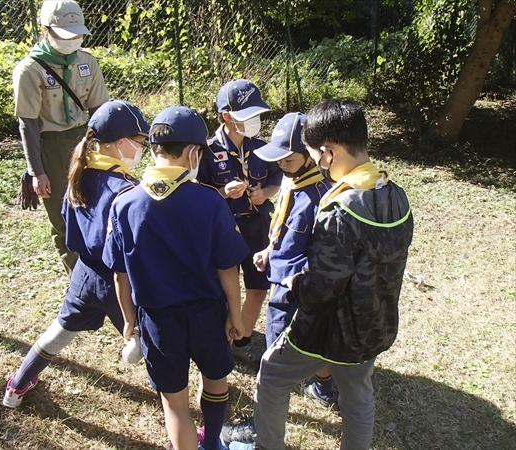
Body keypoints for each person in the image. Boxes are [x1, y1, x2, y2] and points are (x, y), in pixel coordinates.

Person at [226, 99, 414, 450]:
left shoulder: (340, 209)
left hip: (329, 329)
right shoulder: (394, 194)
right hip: (374, 324)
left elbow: (322, 287)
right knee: (358, 397)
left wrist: (295, 280)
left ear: (327, 153)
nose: (314, 161)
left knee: (273, 375)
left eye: (313, 153)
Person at [102, 105, 248, 450]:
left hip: (158, 321)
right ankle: (212, 444)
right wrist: (236, 315)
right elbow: (228, 267)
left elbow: (120, 275)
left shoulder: (124, 203)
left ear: (153, 149)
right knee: (216, 381)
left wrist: (129, 321)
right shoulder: (210, 200)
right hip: (207, 314)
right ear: (195, 152)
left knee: (175, 403)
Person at [2, 100, 150, 408]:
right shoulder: (126, 190)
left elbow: (69, 228)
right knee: (152, 347)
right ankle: (177, 413)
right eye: (140, 142)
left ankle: (15, 387)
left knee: (59, 332)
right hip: (117, 282)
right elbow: (132, 248)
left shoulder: (79, 172)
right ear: (120, 142)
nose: (142, 148)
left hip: (84, 275)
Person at [13, 0, 110, 275]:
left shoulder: (87, 61)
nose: (72, 41)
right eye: (66, 35)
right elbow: (28, 125)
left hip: (85, 139)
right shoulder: (30, 70)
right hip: (51, 146)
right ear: (47, 30)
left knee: (96, 206)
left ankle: (104, 273)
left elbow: (99, 111)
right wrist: (37, 172)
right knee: (62, 216)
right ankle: (80, 281)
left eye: (77, 34)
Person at [197, 79, 282, 370]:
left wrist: (265, 194)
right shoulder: (207, 152)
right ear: (226, 117)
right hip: (225, 229)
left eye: (257, 115)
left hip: (258, 225)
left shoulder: (261, 147)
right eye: (248, 116)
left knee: (258, 287)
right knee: (224, 288)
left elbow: (275, 180)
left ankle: (242, 338)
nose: (255, 121)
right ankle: (225, 340)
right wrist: (222, 193)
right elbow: (197, 192)